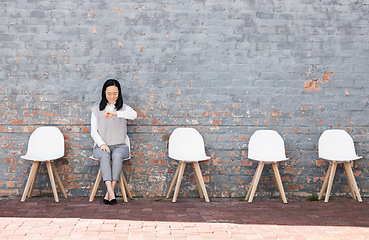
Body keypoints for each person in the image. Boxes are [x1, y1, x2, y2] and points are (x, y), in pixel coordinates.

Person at [91, 79, 137, 205]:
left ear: (119, 93)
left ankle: (109, 193)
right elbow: (93, 131)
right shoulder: (96, 109)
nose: (112, 96)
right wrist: (102, 144)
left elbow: (134, 115)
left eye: (115, 93)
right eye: (109, 93)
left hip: (120, 145)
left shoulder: (123, 109)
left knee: (117, 156)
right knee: (104, 156)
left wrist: (116, 113)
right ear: (104, 93)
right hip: (102, 146)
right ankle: (111, 192)